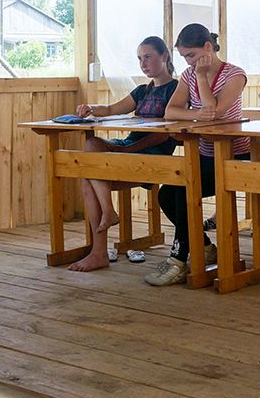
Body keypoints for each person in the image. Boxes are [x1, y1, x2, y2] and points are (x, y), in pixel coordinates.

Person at [146, 24, 249, 287]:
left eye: (191, 55)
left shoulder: (235, 75)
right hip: (204, 155)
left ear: (207, 47)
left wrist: (202, 78)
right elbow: (171, 111)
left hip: (234, 157)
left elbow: (214, 113)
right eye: (184, 57)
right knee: (166, 194)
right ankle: (204, 247)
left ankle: (178, 260)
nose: (189, 62)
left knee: (184, 190)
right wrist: (196, 113)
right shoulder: (188, 75)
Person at [66, 37, 179, 272]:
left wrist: (127, 150)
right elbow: (110, 109)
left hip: (153, 154)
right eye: (139, 59)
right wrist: (90, 108)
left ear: (164, 56)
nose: (143, 64)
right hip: (129, 146)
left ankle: (99, 251)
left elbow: (165, 135)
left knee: (88, 179)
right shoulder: (142, 90)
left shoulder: (176, 90)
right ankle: (107, 214)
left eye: (148, 57)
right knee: (91, 145)